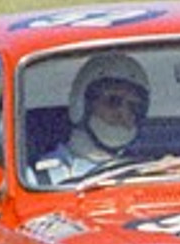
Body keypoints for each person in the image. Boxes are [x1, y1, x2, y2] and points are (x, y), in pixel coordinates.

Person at [33, 52, 151, 185]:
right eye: (113, 101)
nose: (124, 113)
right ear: (82, 104)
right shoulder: (40, 180)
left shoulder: (152, 175)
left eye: (134, 107)